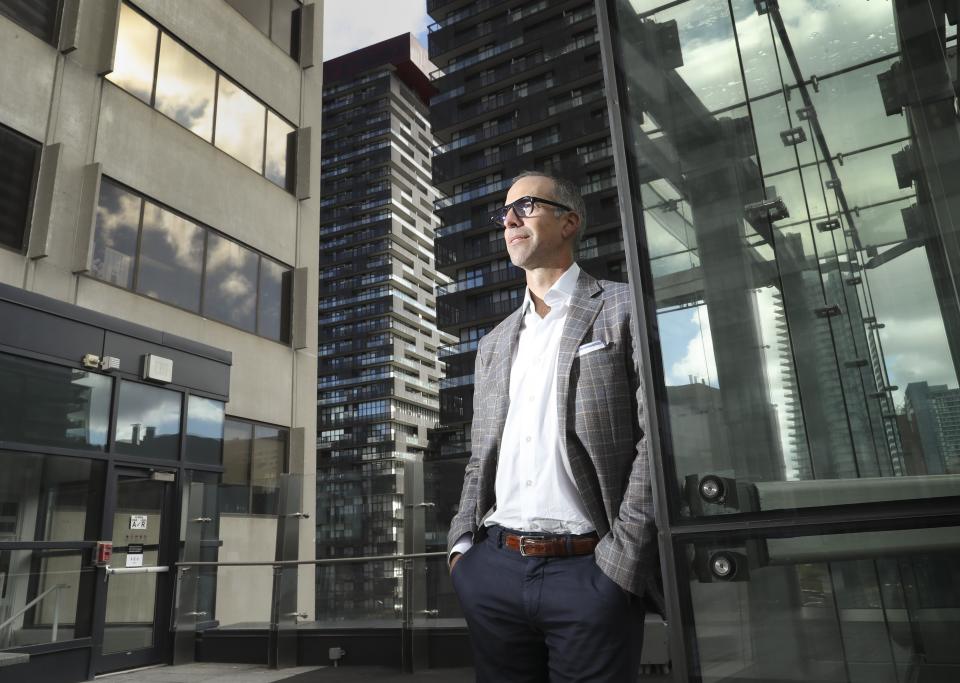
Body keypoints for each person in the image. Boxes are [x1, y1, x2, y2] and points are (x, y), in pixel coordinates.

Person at [447, 170, 659, 682]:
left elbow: (657, 443)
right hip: (494, 570)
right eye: (504, 213)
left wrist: (620, 564)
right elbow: (481, 455)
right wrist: (461, 551)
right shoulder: (494, 342)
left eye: (527, 206)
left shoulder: (624, 306)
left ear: (570, 222)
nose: (510, 219)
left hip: (590, 572)